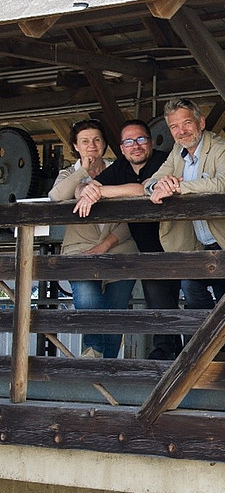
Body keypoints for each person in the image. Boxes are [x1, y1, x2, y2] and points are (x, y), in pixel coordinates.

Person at [73, 119, 181, 359]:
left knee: (193, 297)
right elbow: (86, 188)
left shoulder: (163, 160)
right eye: (129, 142)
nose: (136, 146)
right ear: (122, 148)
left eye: (141, 139)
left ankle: (184, 352)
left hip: (175, 241)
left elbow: (143, 188)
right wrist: (86, 191)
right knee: (158, 298)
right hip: (146, 246)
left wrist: (101, 192)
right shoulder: (120, 167)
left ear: (151, 143)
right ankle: (167, 351)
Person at [48, 119, 137, 358]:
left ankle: (105, 362)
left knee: (116, 308)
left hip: (119, 248)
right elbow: (56, 197)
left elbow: (136, 218)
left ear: (105, 143)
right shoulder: (69, 173)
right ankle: (94, 351)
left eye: (97, 140)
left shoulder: (119, 170)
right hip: (80, 251)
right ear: (75, 146)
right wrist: (83, 172)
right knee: (87, 296)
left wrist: (105, 245)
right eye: (85, 141)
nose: (91, 146)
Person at [144, 99, 225, 317]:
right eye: (174, 127)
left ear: (201, 122)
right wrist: (157, 185)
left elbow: (221, 184)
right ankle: (215, 347)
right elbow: (150, 182)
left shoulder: (222, 148)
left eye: (186, 123)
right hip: (195, 243)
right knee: (190, 287)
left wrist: (177, 187)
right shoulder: (177, 151)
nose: (181, 131)